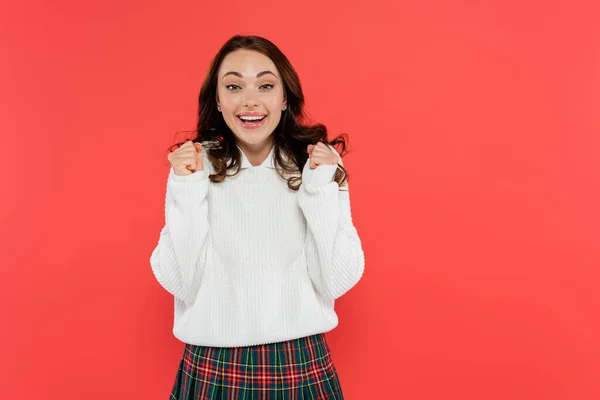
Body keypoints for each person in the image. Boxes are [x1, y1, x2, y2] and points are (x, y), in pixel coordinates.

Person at [150, 34, 365, 399]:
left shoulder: (316, 164)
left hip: (299, 362)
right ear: (218, 100)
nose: (250, 100)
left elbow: (337, 280)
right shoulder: (194, 165)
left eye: (265, 85)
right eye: (234, 86)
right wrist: (186, 187)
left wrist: (320, 188)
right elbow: (179, 281)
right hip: (211, 366)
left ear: (284, 98)